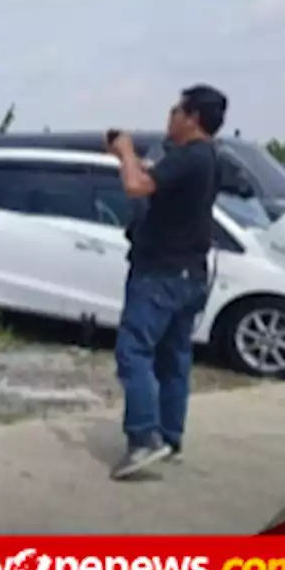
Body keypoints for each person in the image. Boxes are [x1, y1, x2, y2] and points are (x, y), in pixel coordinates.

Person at [106, 85, 227, 480]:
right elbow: (154, 182)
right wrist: (132, 159)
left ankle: (145, 440)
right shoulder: (207, 158)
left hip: (161, 273)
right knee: (173, 358)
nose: (169, 117)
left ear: (192, 118)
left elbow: (135, 187)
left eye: (176, 110)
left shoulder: (191, 156)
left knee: (134, 352)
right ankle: (170, 436)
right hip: (189, 272)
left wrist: (125, 153)